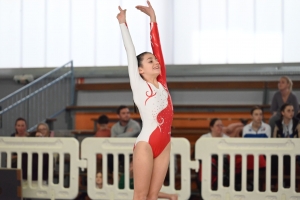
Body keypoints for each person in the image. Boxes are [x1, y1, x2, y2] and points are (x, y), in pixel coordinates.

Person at [117, 1, 174, 199]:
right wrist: (123, 24)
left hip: (165, 143)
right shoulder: (140, 86)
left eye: (156, 60)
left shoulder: (163, 82)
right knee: (141, 196)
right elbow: (131, 52)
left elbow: (157, 48)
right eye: (150, 61)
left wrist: (153, 19)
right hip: (146, 145)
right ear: (140, 69)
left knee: (153, 196)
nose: (156, 62)